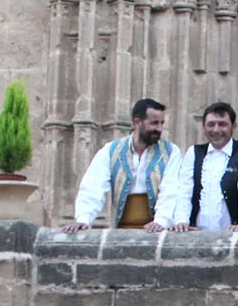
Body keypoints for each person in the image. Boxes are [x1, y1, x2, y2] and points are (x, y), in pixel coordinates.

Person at [153, 100, 238, 235]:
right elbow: (184, 190)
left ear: (234, 126)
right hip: (197, 233)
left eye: (222, 124)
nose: (216, 129)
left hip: (233, 233)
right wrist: (182, 221)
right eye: (211, 124)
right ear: (204, 127)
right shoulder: (194, 152)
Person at [67, 97, 177, 231]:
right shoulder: (111, 150)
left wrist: (161, 221)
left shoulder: (171, 152)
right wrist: (83, 218)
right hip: (121, 230)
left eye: (161, 123)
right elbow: (93, 185)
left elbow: (171, 189)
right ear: (137, 122)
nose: (159, 129)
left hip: (157, 231)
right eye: (154, 123)